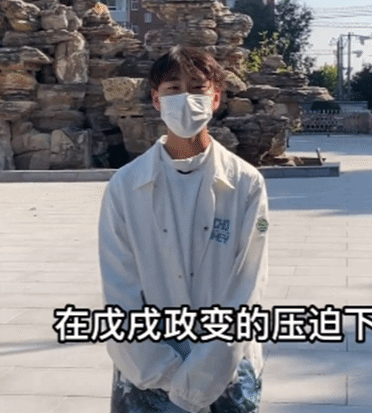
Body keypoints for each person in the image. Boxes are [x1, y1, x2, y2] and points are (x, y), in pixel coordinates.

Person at [99, 46, 269, 413]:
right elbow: (119, 288)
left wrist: (208, 369)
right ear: (156, 100)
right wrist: (161, 369)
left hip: (226, 364)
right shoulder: (125, 186)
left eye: (197, 87)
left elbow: (248, 285)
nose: (186, 98)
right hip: (145, 364)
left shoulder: (245, 183)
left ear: (215, 98)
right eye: (174, 88)